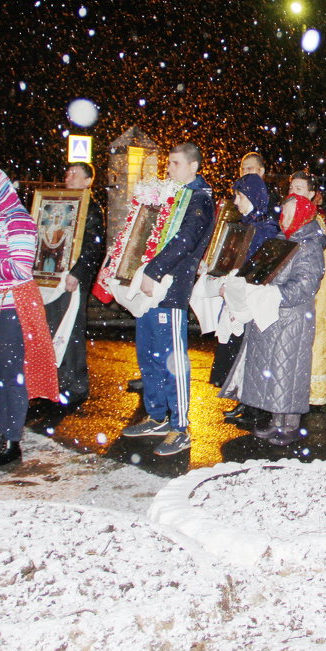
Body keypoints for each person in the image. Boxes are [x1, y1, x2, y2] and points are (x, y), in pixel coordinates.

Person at [120, 143, 214, 456]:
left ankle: (181, 426)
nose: (169, 170)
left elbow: (184, 241)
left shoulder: (199, 199)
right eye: (169, 163)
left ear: (193, 167)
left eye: (175, 164)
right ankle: (157, 415)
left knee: (173, 359)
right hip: (151, 286)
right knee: (149, 354)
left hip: (170, 289)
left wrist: (155, 271)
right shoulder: (171, 194)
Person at [220, 194, 326, 445]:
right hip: (271, 314)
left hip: (292, 317)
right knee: (275, 370)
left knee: (289, 371)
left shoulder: (310, 246)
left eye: (289, 214)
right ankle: (276, 421)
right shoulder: (281, 240)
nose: (283, 218)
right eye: (282, 213)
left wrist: (272, 294)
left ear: (301, 214)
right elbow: (258, 270)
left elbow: (304, 285)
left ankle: (289, 426)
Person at [0, 168, 59, 468]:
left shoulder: (17, 219)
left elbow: (20, 269)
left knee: (12, 375)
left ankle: (12, 441)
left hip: (12, 308)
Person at [214, 172, 279, 428]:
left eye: (239, 197)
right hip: (241, 296)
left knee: (256, 355)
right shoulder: (246, 224)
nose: (236, 202)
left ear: (252, 197)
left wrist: (237, 283)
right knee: (243, 353)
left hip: (255, 299)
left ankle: (257, 407)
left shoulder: (267, 229)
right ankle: (245, 399)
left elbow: (259, 269)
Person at [42, 162, 105, 407]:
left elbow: (92, 244)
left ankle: (76, 383)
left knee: (71, 328)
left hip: (72, 278)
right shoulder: (59, 204)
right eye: (67, 173)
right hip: (52, 274)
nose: (69, 177)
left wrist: (77, 272)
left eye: (75, 174)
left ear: (89, 181)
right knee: (53, 327)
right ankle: (54, 381)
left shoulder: (90, 207)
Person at [288, 171, 326, 407]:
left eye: (300, 189)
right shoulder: (287, 216)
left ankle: (309, 391)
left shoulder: (315, 221)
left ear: (312, 194)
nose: (294, 193)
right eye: (292, 188)